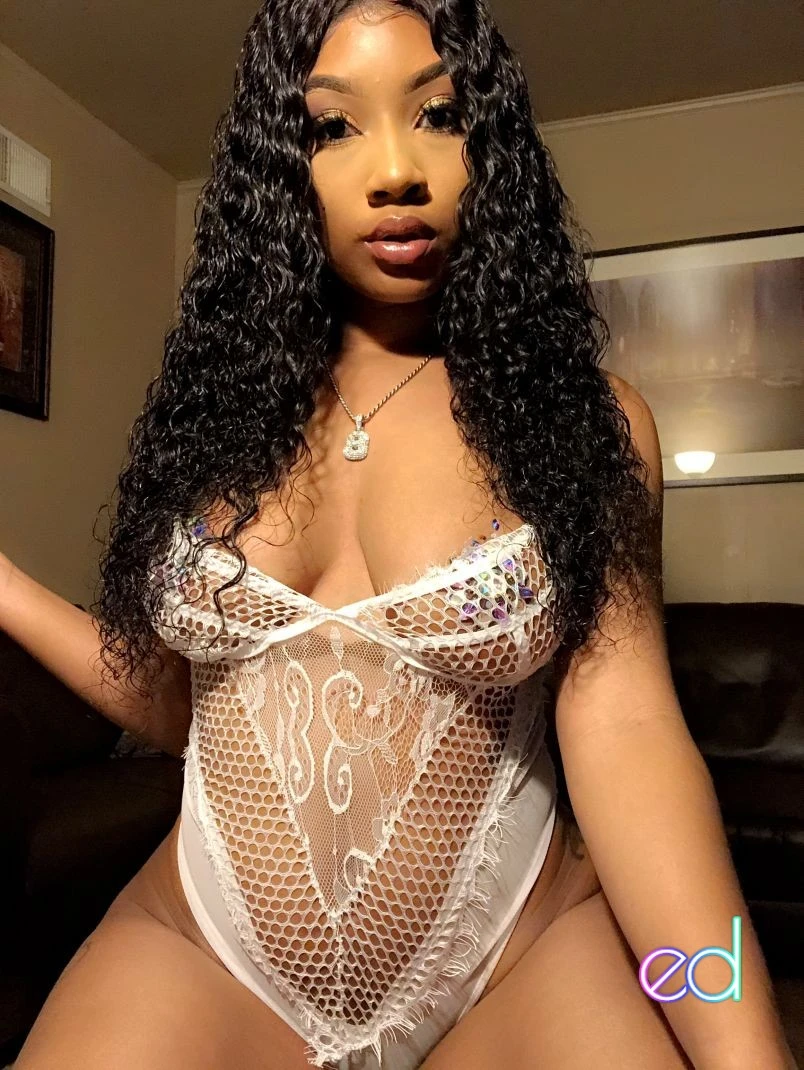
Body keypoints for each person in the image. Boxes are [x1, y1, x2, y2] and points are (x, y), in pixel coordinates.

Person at [0, 1, 795, 1068]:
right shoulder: (210, 420)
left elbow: (631, 735)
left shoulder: (584, 424)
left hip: (523, 956)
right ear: (280, 167)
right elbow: (175, 699)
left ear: (493, 146)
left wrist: (748, 1049)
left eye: (439, 115)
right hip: (205, 953)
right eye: (334, 127)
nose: (393, 172)